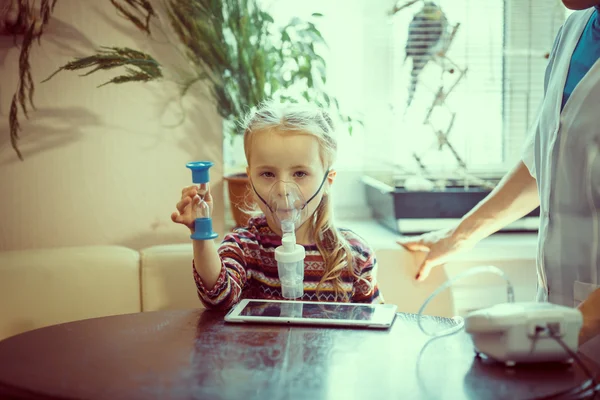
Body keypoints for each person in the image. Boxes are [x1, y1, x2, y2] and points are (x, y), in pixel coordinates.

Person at [398, 1, 600, 357]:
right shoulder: (574, 31)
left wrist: (569, 330)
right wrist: (459, 236)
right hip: (558, 315)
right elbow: (548, 159)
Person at [171, 101, 382, 310]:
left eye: (300, 173)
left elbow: (372, 327)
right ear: (250, 179)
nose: (283, 190)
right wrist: (201, 231)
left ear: (328, 179)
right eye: (268, 174)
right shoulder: (246, 247)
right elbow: (217, 297)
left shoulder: (354, 256)